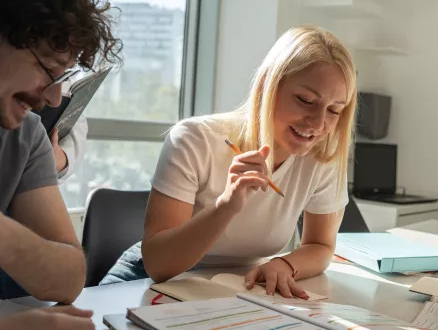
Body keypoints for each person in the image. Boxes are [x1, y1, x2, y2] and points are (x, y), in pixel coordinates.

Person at [101, 25, 357, 299]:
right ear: (268, 87)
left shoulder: (322, 158)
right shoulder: (194, 139)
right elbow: (159, 266)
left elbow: (321, 246)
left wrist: (285, 264)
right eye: (305, 100)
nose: (319, 123)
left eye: (334, 110)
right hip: (145, 281)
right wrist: (225, 205)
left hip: (233, 288)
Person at [0, 0, 121, 330]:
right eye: (48, 70)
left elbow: (69, 276)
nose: (53, 98)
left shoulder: (24, 136)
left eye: (62, 78)